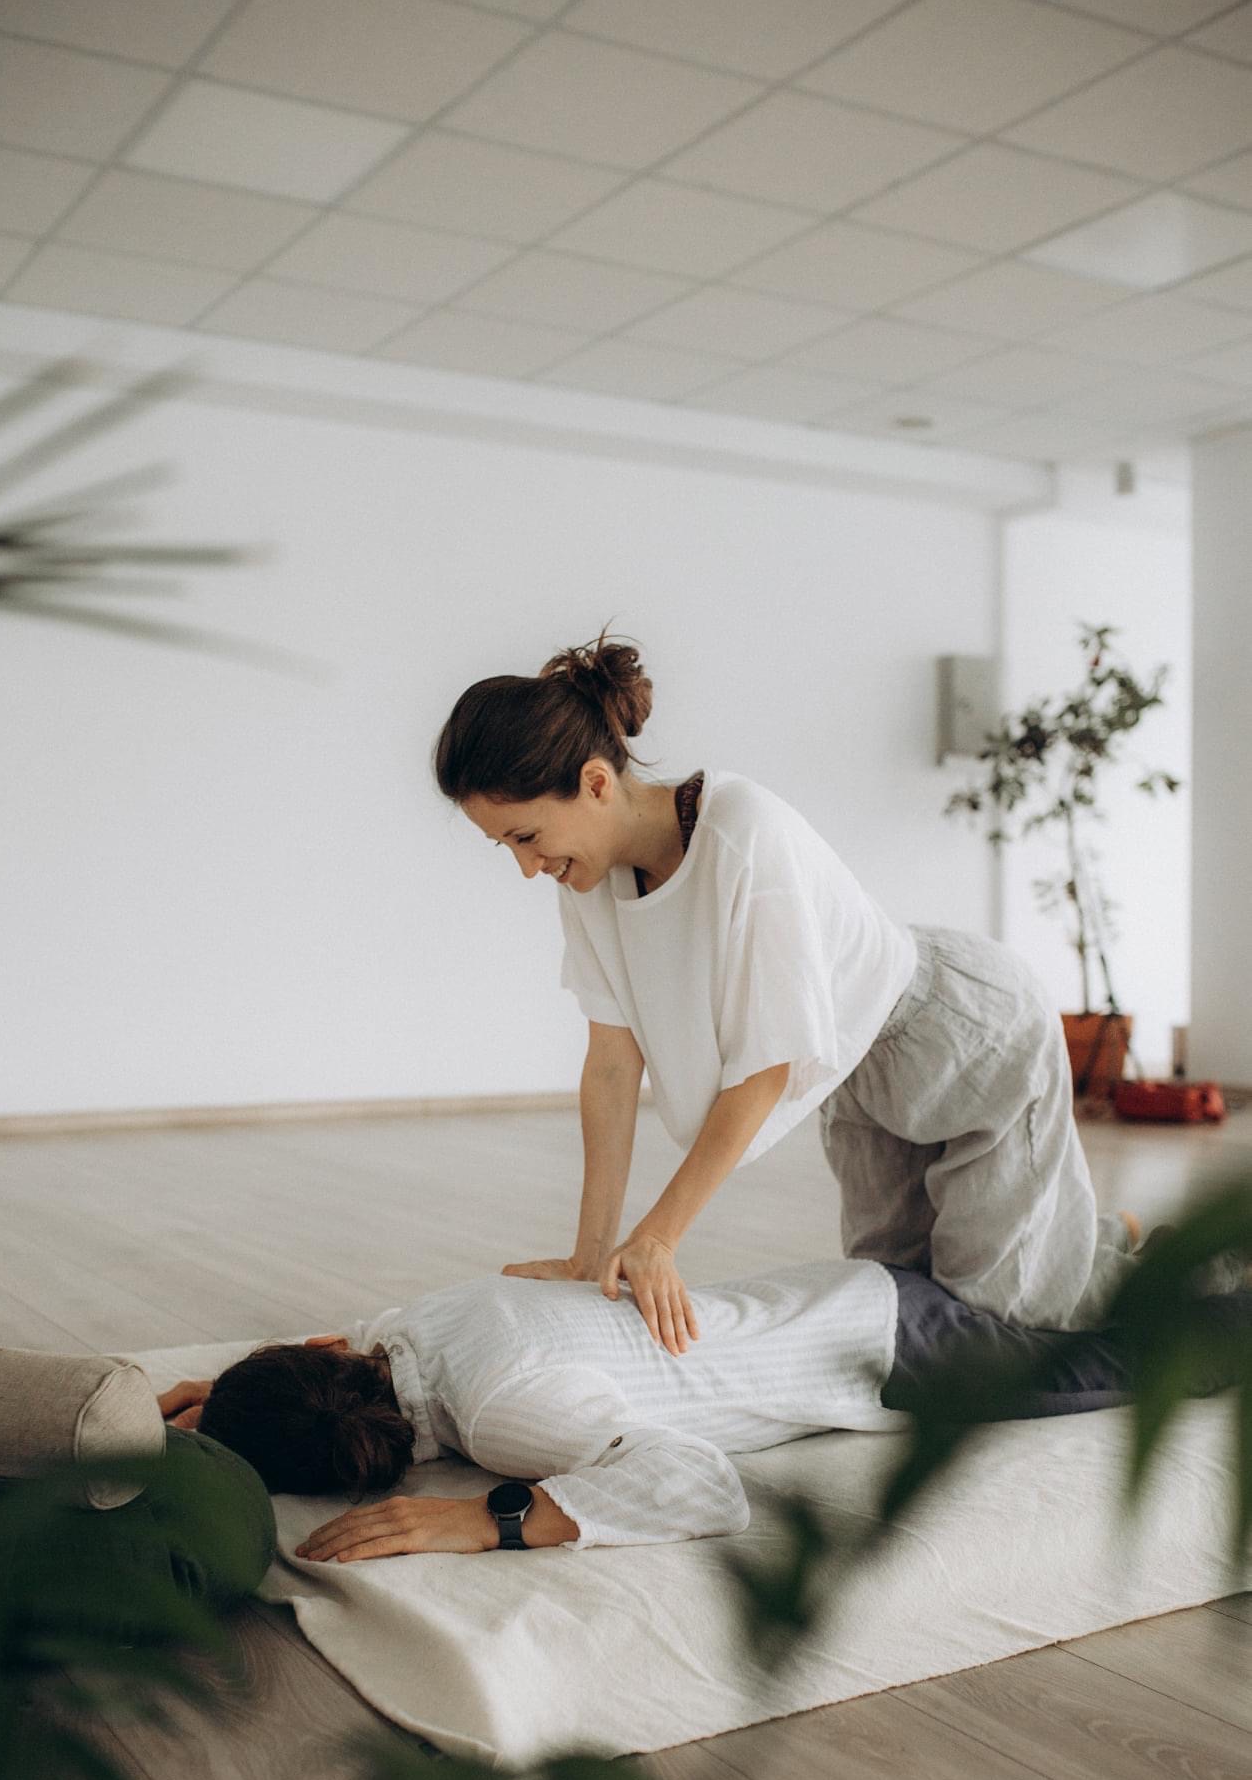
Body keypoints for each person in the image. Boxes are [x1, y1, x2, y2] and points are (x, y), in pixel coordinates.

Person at [432, 628, 1144, 1358]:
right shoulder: (585, 882)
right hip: (852, 1069)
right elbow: (612, 1068)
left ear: (593, 783)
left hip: (963, 1035)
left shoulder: (742, 832)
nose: (527, 866)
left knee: (1006, 1318)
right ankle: (1071, 1231)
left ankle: (1184, 1263)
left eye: (526, 837)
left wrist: (658, 1238)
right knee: (893, 1299)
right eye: (507, 847)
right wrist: (590, 1257)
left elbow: (767, 1067)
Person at [155, 1258, 1243, 1565]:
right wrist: (232, 1395)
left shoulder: (502, 1416)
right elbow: (338, 1347)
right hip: (859, 1289)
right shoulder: (424, 1319)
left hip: (901, 1352)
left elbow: (697, 1486)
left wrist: (482, 1516)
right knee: (1100, 1289)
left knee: (1179, 1356)